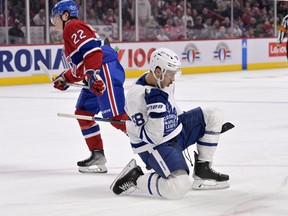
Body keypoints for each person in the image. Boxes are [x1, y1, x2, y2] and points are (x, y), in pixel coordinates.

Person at [110, 48, 230, 199]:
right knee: (179, 186)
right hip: (156, 146)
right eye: (171, 74)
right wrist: (156, 114)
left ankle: (202, 170)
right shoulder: (136, 97)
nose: (173, 79)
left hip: (177, 131)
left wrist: (206, 131)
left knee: (213, 115)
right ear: (158, 71)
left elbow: (174, 109)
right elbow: (152, 137)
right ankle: (135, 179)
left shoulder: (163, 82)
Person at [50, 0, 128, 173]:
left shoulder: (72, 26)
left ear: (65, 15)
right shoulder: (69, 34)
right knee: (83, 113)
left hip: (103, 69)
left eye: (55, 17)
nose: (53, 22)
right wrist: (65, 78)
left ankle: (151, 146)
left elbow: (93, 52)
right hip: (96, 73)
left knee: (117, 117)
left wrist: (92, 74)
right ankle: (97, 154)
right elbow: (80, 66)